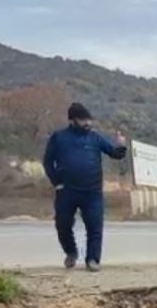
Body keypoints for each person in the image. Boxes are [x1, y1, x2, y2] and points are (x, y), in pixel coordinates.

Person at [42, 103, 127, 271]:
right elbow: (47, 162)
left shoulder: (95, 138)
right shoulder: (59, 137)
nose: (87, 123)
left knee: (95, 227)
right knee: (63, 225)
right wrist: (56, 183)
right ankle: (71, 252)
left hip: (92, 192)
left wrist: (121, 145)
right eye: (83, 120)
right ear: (73, 120)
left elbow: (115, 154)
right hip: (67, 191)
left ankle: (93, 260)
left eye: (89, 119)